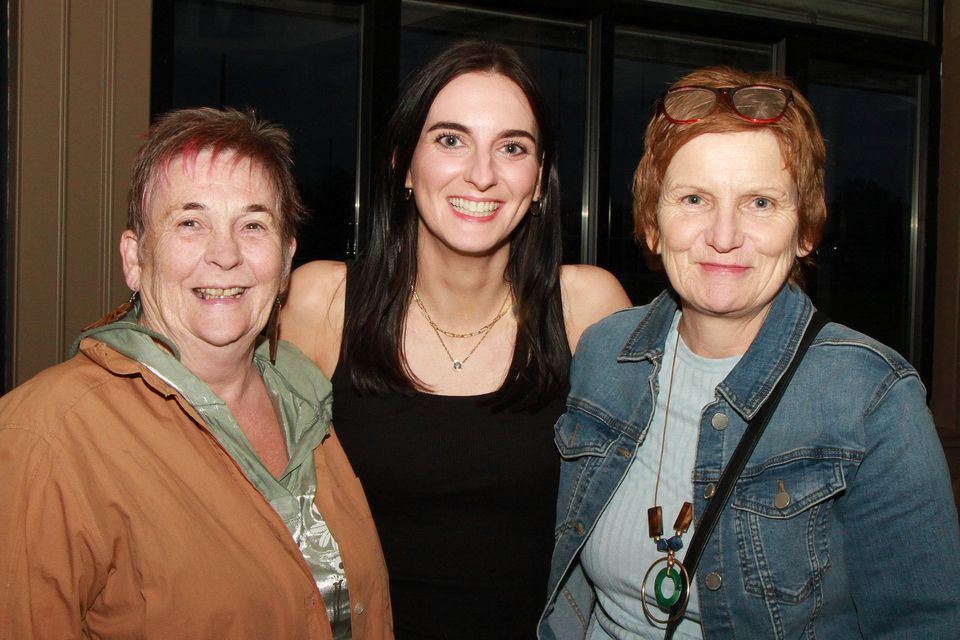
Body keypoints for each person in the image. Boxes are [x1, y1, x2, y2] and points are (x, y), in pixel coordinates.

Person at [539, 67, 960, 639]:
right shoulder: (604, 354)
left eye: (761, 202)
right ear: (652, 223)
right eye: (694, 198)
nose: (724, 234)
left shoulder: (871, 397)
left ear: (805, 230)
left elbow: (922, 624)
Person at [281, 41, 630, 638]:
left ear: (540, 180)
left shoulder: (586, 307)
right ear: (402, 163)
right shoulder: (324, 303)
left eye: (512, 147)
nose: (483, 173)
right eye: (450, 139)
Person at [0, 107, 392, 639]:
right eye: (191, 222)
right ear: (135, 259)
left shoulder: (305, 400)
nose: (225, 254)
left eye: (253, 225)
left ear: (285, 260)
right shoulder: (45, 437)